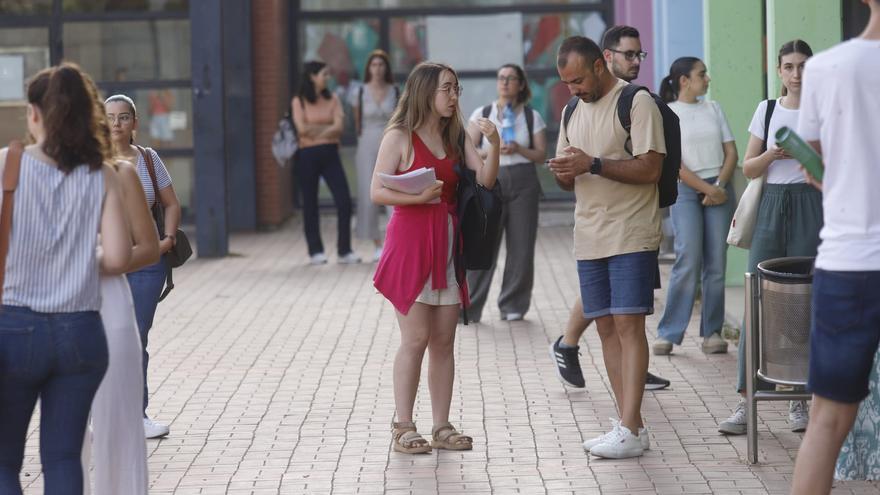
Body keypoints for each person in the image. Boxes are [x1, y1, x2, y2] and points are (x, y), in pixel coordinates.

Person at [0, 63, 132, 495]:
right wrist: (72, 260)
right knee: (62, 457)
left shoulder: (6, 165)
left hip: (16, 328)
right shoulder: (104, 174)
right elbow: (115, 256)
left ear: (35, 114)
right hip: (82, 331)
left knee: (4, 463)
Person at [372, 62, 500, 454]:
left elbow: (485, 179)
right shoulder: (399, 136)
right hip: (410, 244)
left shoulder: (456, 134)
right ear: (425, 91)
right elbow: (377, 191)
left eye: (457, 89)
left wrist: (494, 145)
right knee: (416, 339)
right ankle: (403, 426)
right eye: (447, 89)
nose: (454, 96)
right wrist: (417, 198)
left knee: (444, 340)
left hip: (448, 244)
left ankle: (442, 426)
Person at [548, 35, 666, 459]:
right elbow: (569, 177)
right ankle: (628, 425)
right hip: (590, 234)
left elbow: (652, 167)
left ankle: (632, 426)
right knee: (603, 328)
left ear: (600, 65)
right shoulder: (571, 109)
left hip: (631, 231)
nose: (573, 89)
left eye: (578, 79)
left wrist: (592, 163)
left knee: (628, 324)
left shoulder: (636, 102)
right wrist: (564, 170)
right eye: (566, 83)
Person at [791, 1, 880, 492]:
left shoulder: (825, 67)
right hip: (851, 259)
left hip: (850, 262)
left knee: (826, 420)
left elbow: (815, 165)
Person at [718, 40, 817, 436]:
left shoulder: (823, 108)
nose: (796, 74)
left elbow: (833, 166)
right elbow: (749, 165)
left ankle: (799, 399)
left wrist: (808, 154)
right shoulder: (767, 109)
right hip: (772, 206)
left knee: (805, 302)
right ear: (778, 70)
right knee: (758, 297)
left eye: (803, 66)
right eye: (789, 67)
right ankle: (747, 398)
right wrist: (776, 153)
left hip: (812, 204)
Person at [82, 97, 163, 492]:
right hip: (82, 305)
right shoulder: (20, 168)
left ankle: (140, 411)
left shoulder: (128, 168)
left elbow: (166, 208)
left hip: (73, 305)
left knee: (65, 446)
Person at [104, 94, 182, 439]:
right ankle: (103, 415)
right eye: (110, 117)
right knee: (105, 338)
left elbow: (171, 203)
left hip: (148, 262)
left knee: (136, 337)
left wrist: (166, 240)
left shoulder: (149, 159)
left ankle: (138, 415)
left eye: (123, 117)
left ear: (135, 122)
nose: (117, 124)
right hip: (107, 263)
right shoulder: (94, 161)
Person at [652, 57, 737, 356]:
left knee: (716, 264)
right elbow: (674, 164)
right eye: (702, 74)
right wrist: (708, 190)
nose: (708, 78)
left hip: (720, 187)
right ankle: (669, 332)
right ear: (684, 80)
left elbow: (731, 152)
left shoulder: (713, 108)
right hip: (686, 190)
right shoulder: (668, 114)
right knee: (687, 258)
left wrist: (720, 187)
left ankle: (712, 332)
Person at [464, 63, 546, 323]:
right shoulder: (483, 113)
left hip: (524, 182)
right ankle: (470, 305)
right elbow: (466, 150)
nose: (505, 82)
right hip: (490, 182)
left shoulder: (531, 116)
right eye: (501, 77)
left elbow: (541, 155)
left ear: (521, 84)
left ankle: (513, 305)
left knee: (521, 248)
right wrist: (494, 150)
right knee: (482, 244)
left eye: (511, 78)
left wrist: (519, 148)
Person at [292, 61, 361, 265]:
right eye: (324, 74)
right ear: (312, 76)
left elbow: (339, 127)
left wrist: (316, 130)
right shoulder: (299, 101)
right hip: (307, 155)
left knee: (344, 201)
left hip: (331, 153)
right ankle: (315, 251)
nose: (327, 78)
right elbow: (301, 130)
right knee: (310, 203)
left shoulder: (334, 99)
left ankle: (344, 250)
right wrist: (326, 129)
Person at [351, 50, 398, 262]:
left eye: (381, 64)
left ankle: (392, 240)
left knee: (392, 189)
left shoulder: (395, 90)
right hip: (367, 141)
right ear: (368, 68)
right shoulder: (360, 92)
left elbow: (400, 119)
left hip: (390, 140)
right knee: (368, 192)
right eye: (374, 65)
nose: (377, 68)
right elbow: (357, 122)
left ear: (386, 68)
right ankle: (375, 241)